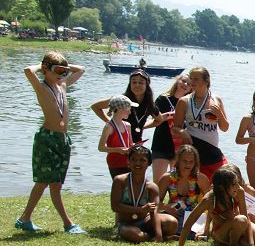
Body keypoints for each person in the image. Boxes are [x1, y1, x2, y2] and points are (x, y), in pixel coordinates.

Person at [16, 53, 87, 234]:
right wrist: (44, 66)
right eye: (58, 71)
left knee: (55, 183)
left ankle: (25, 218)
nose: (62, 74)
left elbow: (81, 70)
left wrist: (62, 67)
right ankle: (68, 223)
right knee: (44, 182)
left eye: (64, 71)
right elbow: (27, 71)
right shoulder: (42, 87)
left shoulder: (62, 85)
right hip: (47, 138)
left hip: (62, 139)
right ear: (46, 70)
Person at [179, 167, 255, 246]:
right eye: (234, 184)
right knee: (241, 219)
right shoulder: (209, 199)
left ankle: (242, 243)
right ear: (221, 187)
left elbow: (247, 221)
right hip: (221, 233)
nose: (238, 187)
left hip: (240, 226)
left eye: (238, 183)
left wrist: (251, 245)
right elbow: (190, 221)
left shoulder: (239, 191)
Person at [111, 145, 177, 243]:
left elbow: (154, 212)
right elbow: (115, 206)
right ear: (128, 162)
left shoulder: (152, 187)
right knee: (133, 234)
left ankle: (155, 236)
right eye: (134, 159)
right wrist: (140, 209)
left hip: (145, 221)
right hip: (126, 223)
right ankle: (152, 237)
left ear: (149, 163)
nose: (138, 163)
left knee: (172, 222)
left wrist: (158, 234)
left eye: (142, 160)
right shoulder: (120, 181)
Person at [172, 67, 230, 179]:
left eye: (196, 79)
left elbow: (225, 128)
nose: (191, 82)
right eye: (191, 78)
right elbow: (175, 128)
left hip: (212, 150)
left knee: (224, 178)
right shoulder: (184, 101)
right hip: (192, 149)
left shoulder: (216, 99)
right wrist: (183, 132)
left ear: (206, 81)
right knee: (195, 185)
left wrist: (219, 114)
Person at [90, 68, 163, 146]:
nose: (137, 85)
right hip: (119, 142)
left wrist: (143, 126)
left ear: (147, 85)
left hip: (136, 144)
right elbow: (95, 107)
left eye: (141, 83)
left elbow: (159, 120)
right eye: (134, 82)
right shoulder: (121, 100)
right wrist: (112, 124)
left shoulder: (149, 104)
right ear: (130, 84)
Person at [157, 144, 211, 236]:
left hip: (193, 215)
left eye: (191, 162)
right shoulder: (166, 178)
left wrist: (206, 226)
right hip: (173, 214)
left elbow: (211, 204)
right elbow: (154, 204)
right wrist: (166, 207)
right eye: (184, 161)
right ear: (178, 161)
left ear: (195, 163)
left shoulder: (201, 179)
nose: (187, 165)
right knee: (165, 222)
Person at [150, 73, 191, 183]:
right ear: (177, 81)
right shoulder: (163, 99)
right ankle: (157, 200)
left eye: (189, 83)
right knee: (158, 181)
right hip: (161, 143)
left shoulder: (190, 103)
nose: (185, 84)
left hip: (179, 146)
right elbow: (154, 119)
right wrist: (167, 115)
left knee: (175, 181)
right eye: (183, 81)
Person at [98, 94, 139, 178]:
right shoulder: (109, 127)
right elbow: (101, 147)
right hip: (115, 163)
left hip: (129, 161)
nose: (130, 112)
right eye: (128, 109)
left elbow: (130, 144)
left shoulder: (128, 125)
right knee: (120, 186)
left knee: (130, 186)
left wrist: (135, 146)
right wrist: (118, 150)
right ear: (120, 109)